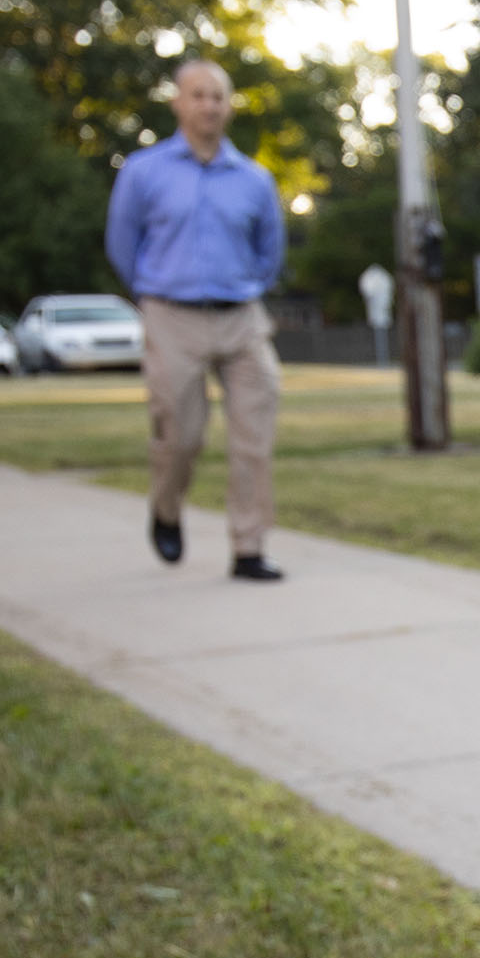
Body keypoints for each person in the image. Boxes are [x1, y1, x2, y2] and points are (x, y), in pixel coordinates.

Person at [105, 58, 288, 582]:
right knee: (180, 436)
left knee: (254, 437)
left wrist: (246, 287)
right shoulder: (144, 172)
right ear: (178, 103)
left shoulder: (254, 179)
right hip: (172, 315)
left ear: (229, 106)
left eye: (218, 96)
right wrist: (153, 291)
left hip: (241, 318)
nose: (209, 105)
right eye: (199, 95)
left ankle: (249, 547)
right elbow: (123, 245)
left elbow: (269, 252)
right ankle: (166, 509)